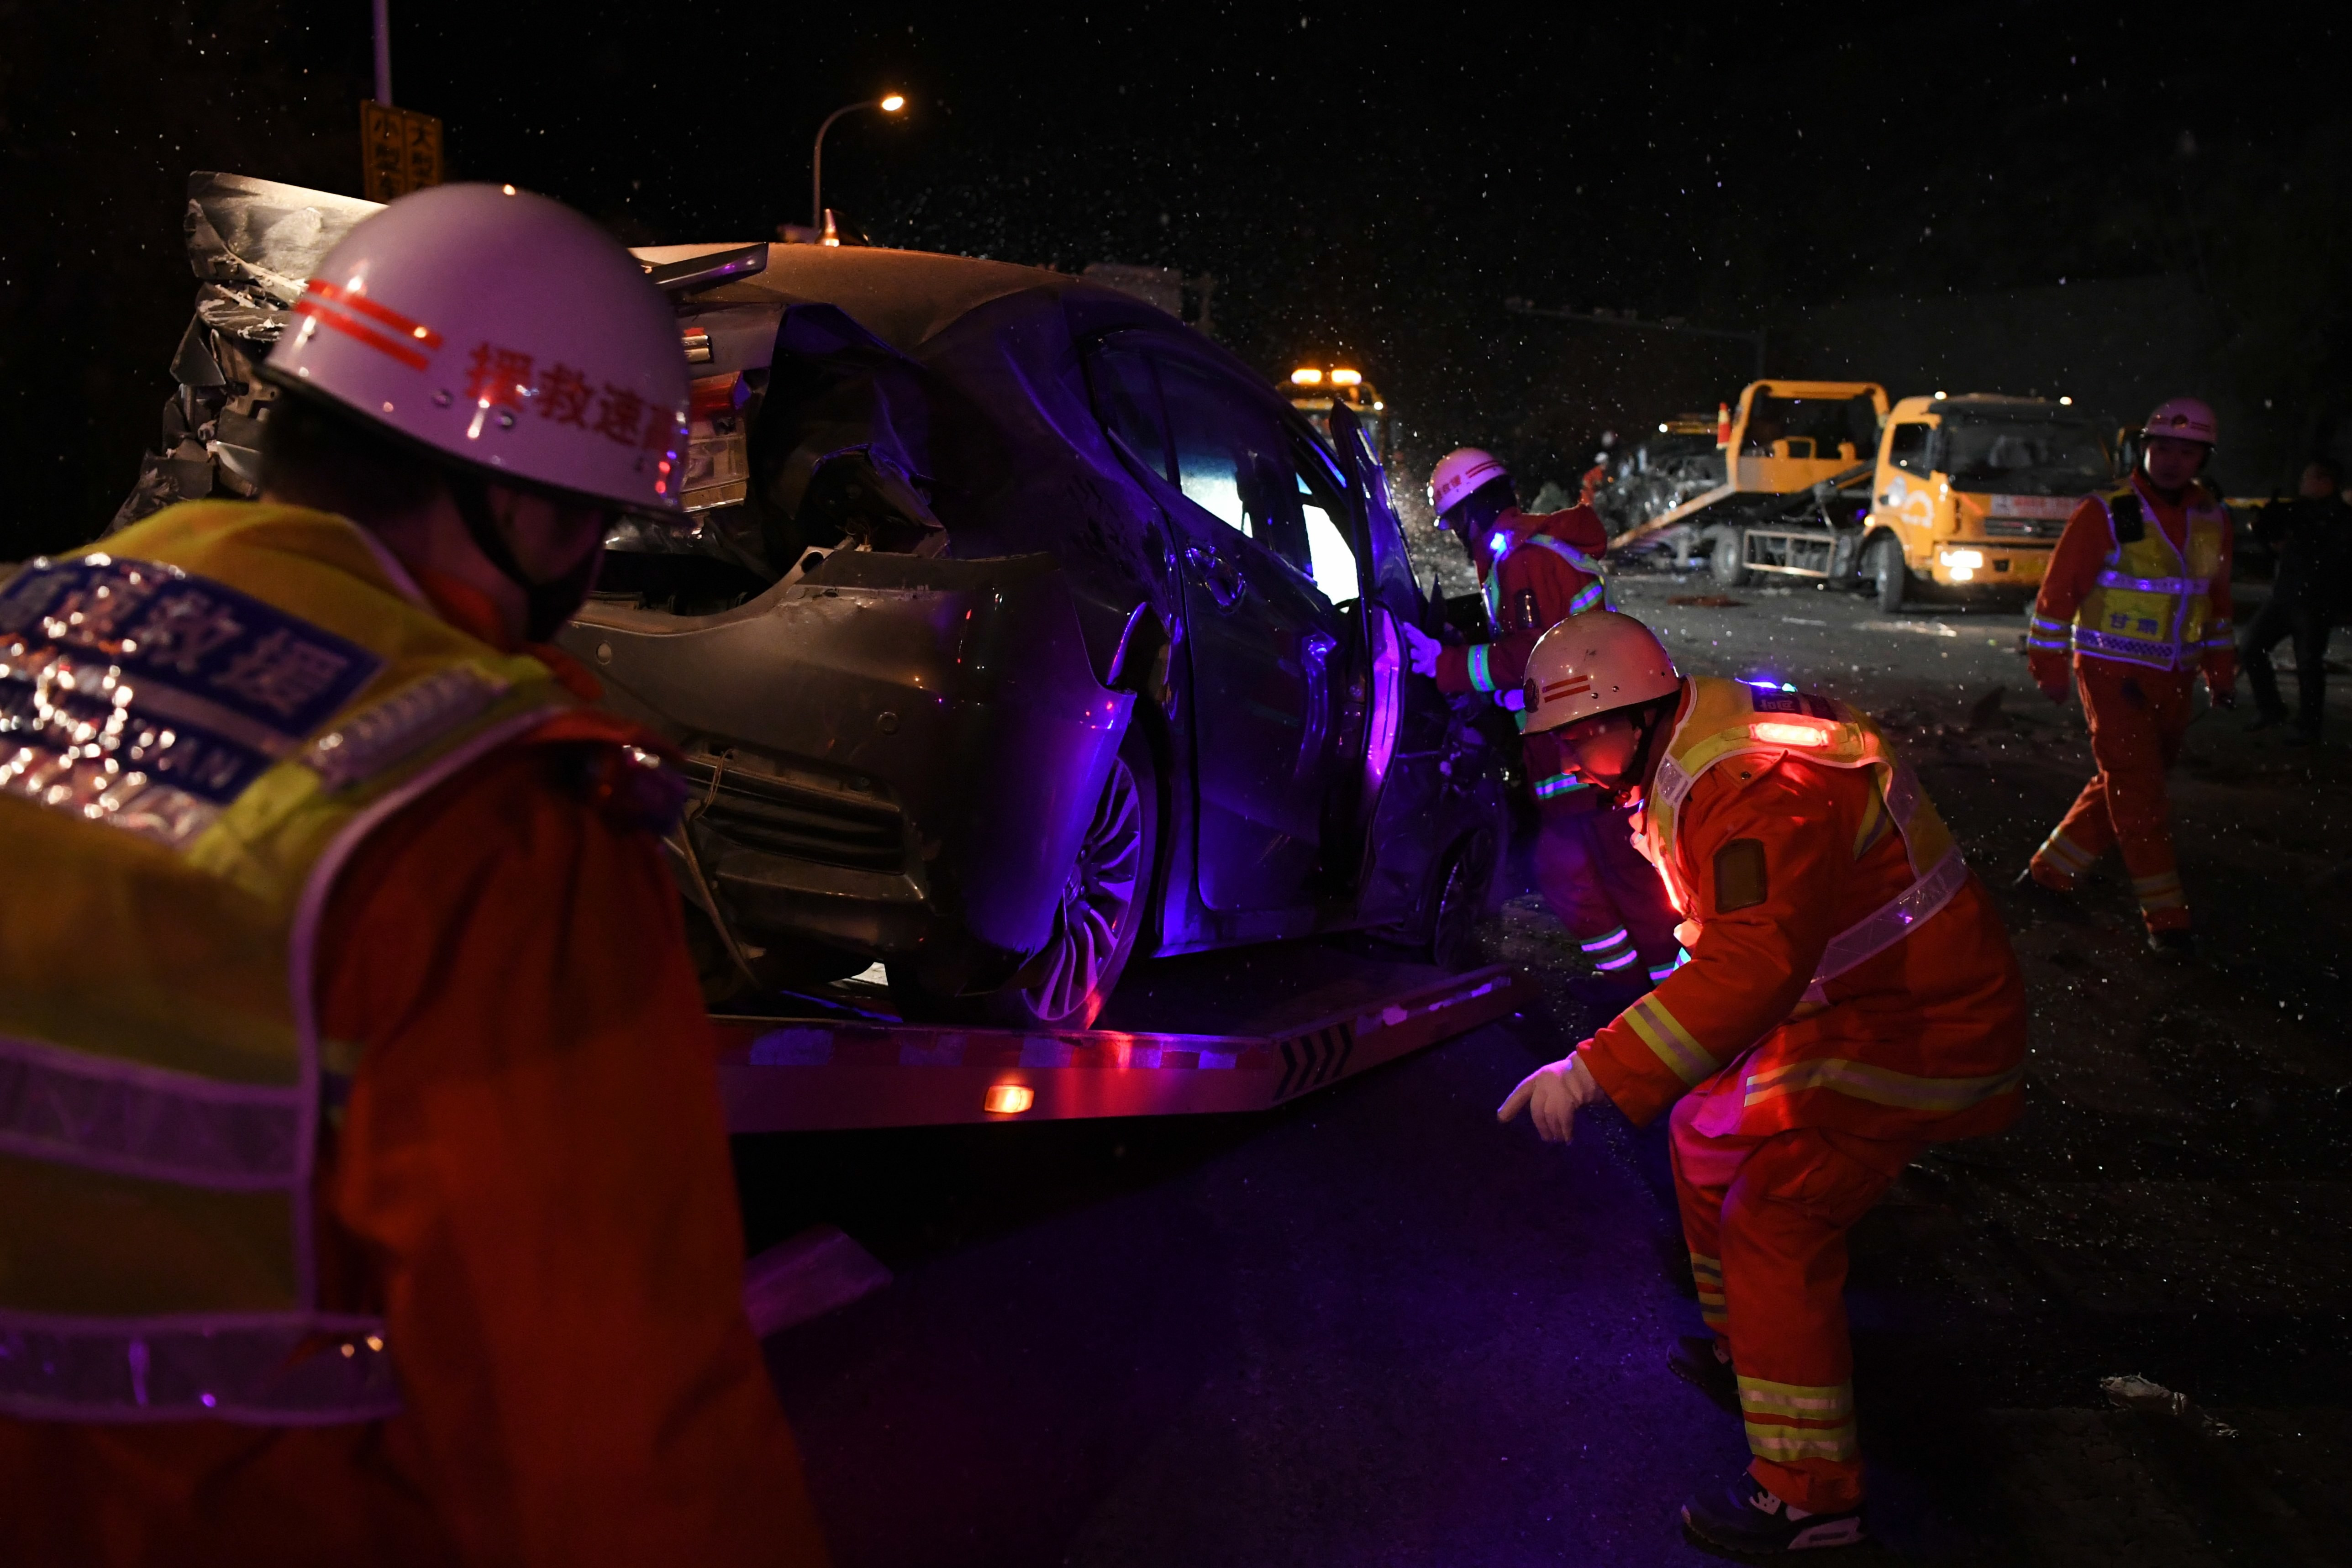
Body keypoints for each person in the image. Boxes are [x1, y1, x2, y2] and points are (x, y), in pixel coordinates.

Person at [0, 185, 830, 1565]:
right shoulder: (482, 813)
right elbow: (612, 1425)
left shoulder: (26, 630)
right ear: (528, 508)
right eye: (594, 521)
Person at [1496, 611, 2026, 1555]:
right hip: (1852, 1010)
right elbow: (1743, 950)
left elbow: (1752, 962)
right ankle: (1748, 1350)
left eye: (1578, 736)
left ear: (1635, 713)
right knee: (1702, 1128)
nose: (1570, 760)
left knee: (1773, 1217)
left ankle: (1810, 1499)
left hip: (1919, 1028)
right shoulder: (1696, 747)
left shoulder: (1751, 788)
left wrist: (1591, 1070)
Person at [1402, 447, 1682, 987]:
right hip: (1592, 739)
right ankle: (1637, 985)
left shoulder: (1523, 559)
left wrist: (1445, 665)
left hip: (1585, 747)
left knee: (1606, 876)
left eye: (1455, 521)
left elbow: (1535, 654)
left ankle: (1663, 991)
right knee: (1583, 875)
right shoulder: (1534, 550)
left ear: (1471, 512)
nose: (1457, 535)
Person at [2021, 397, 2236, 956]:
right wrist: (2048, 666)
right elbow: (2058, 593)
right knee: (2141, 794)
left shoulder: (2212, 517)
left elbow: (2215, 601)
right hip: (2112, 672)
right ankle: (2167, 920)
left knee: (2130, 779)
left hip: (2175, 676)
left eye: (2186, 452)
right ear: (2143, 449)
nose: (2171, 460)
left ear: (2204, 458)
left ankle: (2048, 875)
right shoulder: (2107, 511)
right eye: (2162, 447)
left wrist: (2221, 672)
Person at [2242, 458, 2352, 744]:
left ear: (2325, 482)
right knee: (2251, 647)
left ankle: (2308, 726)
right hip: (2286, 595)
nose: (2303, 484)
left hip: (2315, 600)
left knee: (2308, 664)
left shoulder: (2341, 518)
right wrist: (2268, 534)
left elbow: (2333, 557)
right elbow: (2275, 541)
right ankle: (2271, 709)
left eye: (2308, 478)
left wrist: (2297, 544)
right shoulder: (2300, 510)